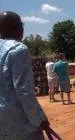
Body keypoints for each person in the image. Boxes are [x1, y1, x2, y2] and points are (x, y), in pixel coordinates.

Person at [0, 11, 50, 139]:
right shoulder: (18, 49)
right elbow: (23, 90)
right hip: (17, 121)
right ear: (18, 28)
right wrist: (40, 119)